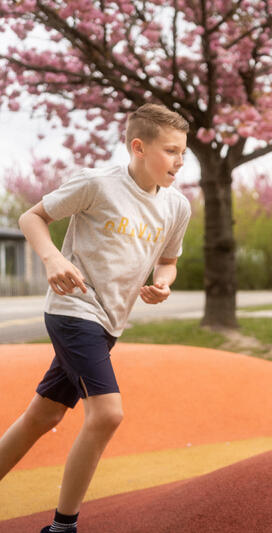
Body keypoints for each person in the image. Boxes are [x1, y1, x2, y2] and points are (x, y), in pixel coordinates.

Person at [0, 103, 192, 533]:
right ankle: (62, 526)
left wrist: (164, 283)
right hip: (73, 310)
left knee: (43, 416)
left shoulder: (177, 206)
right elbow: (31, 217)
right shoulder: (98, 184)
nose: (180, 161)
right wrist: (51, 260)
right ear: (138, 147)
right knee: (107, 414)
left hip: (108, 323)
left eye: (184, 153)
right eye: (172, 151)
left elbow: (168, 261)